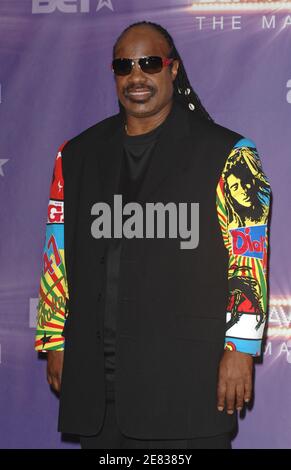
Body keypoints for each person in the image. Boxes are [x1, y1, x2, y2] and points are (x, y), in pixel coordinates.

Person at [35, 21, 271, 449]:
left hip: (184, 382)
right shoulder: (75, 155)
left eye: (149, 63)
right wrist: (53, 337)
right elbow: (58, 251)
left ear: (173, 69)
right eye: (124, 66)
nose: (136, 76)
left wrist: (240, 347)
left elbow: (248, 255)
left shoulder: (230, 154)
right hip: (96, 387)